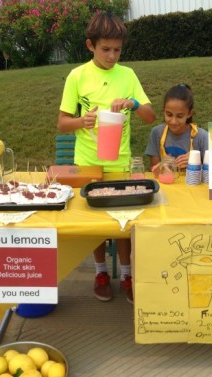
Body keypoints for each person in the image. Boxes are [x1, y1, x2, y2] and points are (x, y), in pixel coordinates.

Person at [57, 13, 156, 304]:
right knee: (95, 223)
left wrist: (134, 103)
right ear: (90, 45)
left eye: (117, 49)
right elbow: (62, 122)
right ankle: (100, 272)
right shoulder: (78, 76)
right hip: (88, 163)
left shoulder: (127, 75)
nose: (112, 56)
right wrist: (81, 122)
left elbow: (150, 117)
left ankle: (126, 275)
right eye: (106, 49)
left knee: (122, 224)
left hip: (120, 162)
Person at [145, 84, 208, 173]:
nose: (173, 121)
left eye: (180, 116)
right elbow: (153, 170)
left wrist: (196, 164)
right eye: (169, 114)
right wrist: (163, 165)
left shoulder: (202, 137)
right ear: (163, 110)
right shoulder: (157, 133)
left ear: (189, 114)